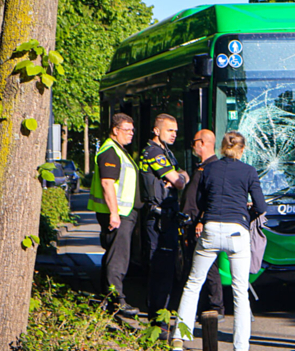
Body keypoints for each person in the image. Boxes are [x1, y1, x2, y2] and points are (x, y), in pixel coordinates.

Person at [172, 131, 266, 351]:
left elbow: (201, 201)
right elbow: (262, 206)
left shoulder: (209, 169)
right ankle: (241, 347)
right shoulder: (249, 171)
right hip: (237, 231)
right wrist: (246, 212)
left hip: (211, 228)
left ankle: (179, 337)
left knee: (193, 283)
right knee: (239, 289)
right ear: (242, 150)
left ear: (222, 147)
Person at [87, 113, 143, 317]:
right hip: (119, 213)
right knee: (118, 258)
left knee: (113, 256)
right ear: (115, 130)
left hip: (121, 212)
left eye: (132, 130)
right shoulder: (111, 152)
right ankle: (116, 300)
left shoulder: (117, 150)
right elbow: (107, 183)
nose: (131, 134)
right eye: (127, 130)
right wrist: (114, 213)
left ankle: (107, 298)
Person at [138, 114, 188, 331]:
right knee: (161, 270)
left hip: (165, 217)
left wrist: (178, 178)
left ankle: (160, 319)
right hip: (159, 219)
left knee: (165, 270)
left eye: (176, 131)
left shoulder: (164, 152)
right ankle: (159, 323)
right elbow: (178, 181)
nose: (174, 134)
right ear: (156, 131)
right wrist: (181, 177)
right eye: (170, 130)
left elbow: (176, 179)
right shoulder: (155, 153)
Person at [179, 129, 225, 319]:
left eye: (194, 142)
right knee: (198, 266)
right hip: (192, 223)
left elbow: (213, 198)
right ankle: (206, 307)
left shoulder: (212, 168)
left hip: (199, 225)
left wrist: (202, 221)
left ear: (203, 143)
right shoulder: (203, 167)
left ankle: (215, 307)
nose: (192, 146)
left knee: (208, 267)